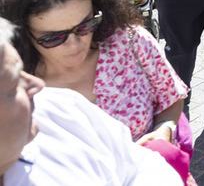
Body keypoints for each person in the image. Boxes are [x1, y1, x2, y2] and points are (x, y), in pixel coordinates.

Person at [0, 0, 192, 182]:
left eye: (85, 26)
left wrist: (163, 129)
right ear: (23, 33)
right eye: (53, 37)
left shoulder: (129, 41)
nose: (75, 44)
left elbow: (171, 97)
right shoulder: (16, 75)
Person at [0, 17, 183, 185]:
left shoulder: (60, 107)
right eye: (14, 83)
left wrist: (165, 128)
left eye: (85, 25)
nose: (37, 84)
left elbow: (140, 166)